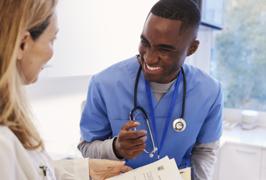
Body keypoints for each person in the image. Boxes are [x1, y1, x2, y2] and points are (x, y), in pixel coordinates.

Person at [0, 0, 132, 179]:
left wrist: (85, 169)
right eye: (51, 40)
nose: (51, 53)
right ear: (22, 44)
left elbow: (26, 170)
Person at [78, 0, 223, 179]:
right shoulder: (104, 83)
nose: (150, 57)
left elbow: (205, 152)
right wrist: (115, 148)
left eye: (165, 49)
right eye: (145, 42)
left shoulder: (210, 91)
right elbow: (86, 148)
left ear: (191, 49)